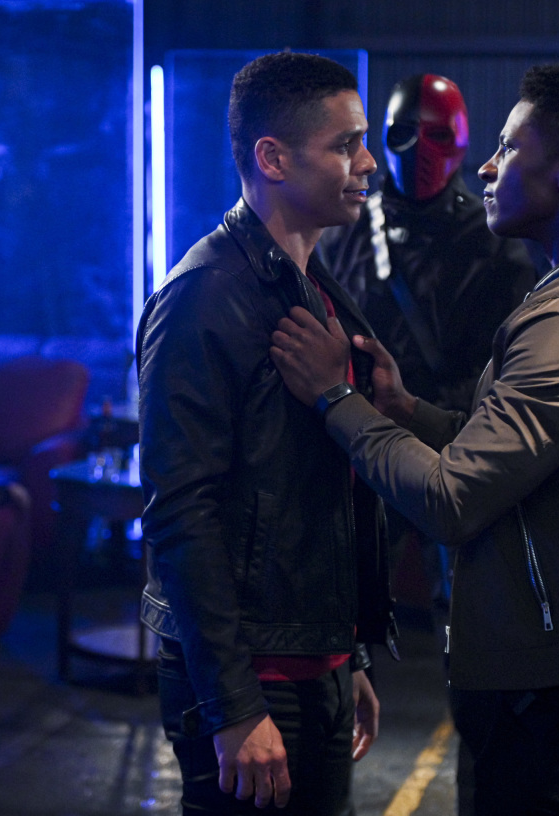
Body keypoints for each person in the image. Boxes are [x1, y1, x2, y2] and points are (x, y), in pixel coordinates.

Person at [270, 64, 559, 815]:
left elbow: (453, 500)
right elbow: (534, 459)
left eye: (509, 148)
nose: (486, 167)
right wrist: (406, 410)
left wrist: (336, 398)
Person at [137, 51, 397, 815]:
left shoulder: (315, 288)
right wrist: (233, 704)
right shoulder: (203, 295)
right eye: (345, 144)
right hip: (253, 681)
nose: (368, 163)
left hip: (315, 664)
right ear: (273, 159)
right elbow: (181, 513)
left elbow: (327, 495)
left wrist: (348, 654)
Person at [319, 72, 535, 413]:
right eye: (404, 134)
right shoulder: (343, 233)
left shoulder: (494, 242)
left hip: (452, 431)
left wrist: (424, 418)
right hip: (359, 426)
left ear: (459, 140)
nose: (418, 150)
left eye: (437, 135)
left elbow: (506, 367)